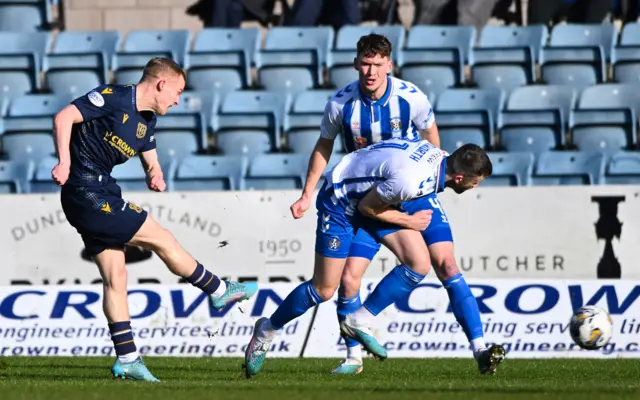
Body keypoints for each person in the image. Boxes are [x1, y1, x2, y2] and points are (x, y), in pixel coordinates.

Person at [288, 33, 504, 376]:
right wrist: (307, 193)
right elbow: (323, 147)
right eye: (365, 64)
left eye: (378, 65)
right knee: (348, 280)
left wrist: (434, 185)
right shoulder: (340, 104)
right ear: (356, 64)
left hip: (414, 190)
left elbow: (432, 138)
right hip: (368, 198)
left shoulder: (411, 98)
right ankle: (353, 357)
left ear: (389, 65)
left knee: (445, 263)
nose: (371, 72)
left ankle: (479, 349)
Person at [51, 57, 258, 382]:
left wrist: (155, 172)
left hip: (101, 190)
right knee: (161, 238)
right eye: (177, 91)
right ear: (161, 83)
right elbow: (64, 117)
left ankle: (128, 359)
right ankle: (218, 289)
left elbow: (146, 144)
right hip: (85, 189)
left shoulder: (147, 119)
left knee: (115, 278)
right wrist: (63, 161)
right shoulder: (113, 97)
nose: (178, 99)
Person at [243, 137, 494, 378]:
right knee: (324, 289)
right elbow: (368, 208)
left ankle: (358, 321)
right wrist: (409, 220)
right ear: (460, 178)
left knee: (419, 263)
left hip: (372, 196)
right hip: (341, 203)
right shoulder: (410, 181)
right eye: (476, 182)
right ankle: (266, 330)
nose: (476, 187)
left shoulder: (436, 157)